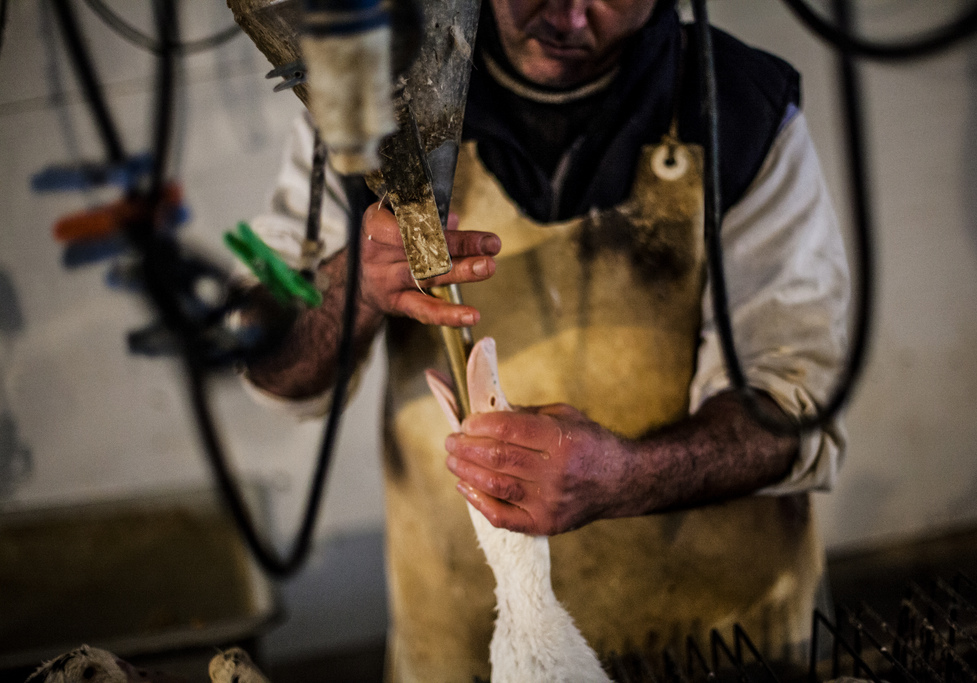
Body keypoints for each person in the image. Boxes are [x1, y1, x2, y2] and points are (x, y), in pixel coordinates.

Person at [242, 0, 849, 679]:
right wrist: (352, 285)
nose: (569, 16)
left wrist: (630, 476)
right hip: (471, 652)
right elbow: (269, 362)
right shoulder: (372, 101)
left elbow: (795, 409)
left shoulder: (743, 110)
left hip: (723, 649)